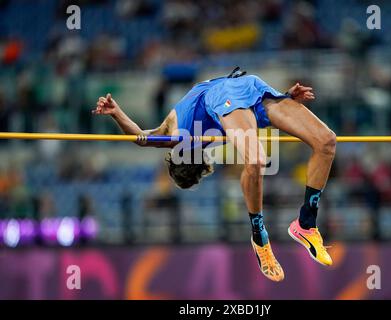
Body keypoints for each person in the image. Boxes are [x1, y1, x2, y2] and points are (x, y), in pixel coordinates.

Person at [92, 68, 336, 282]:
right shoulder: (195, 137)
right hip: (235, 98)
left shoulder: (172, 135)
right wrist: (116, 113)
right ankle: (260, 236)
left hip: (246, 88)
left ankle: (305, 225)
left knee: (326, 141)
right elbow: (140, 138)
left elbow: (140, 138)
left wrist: (117, 113)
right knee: (259, 159)